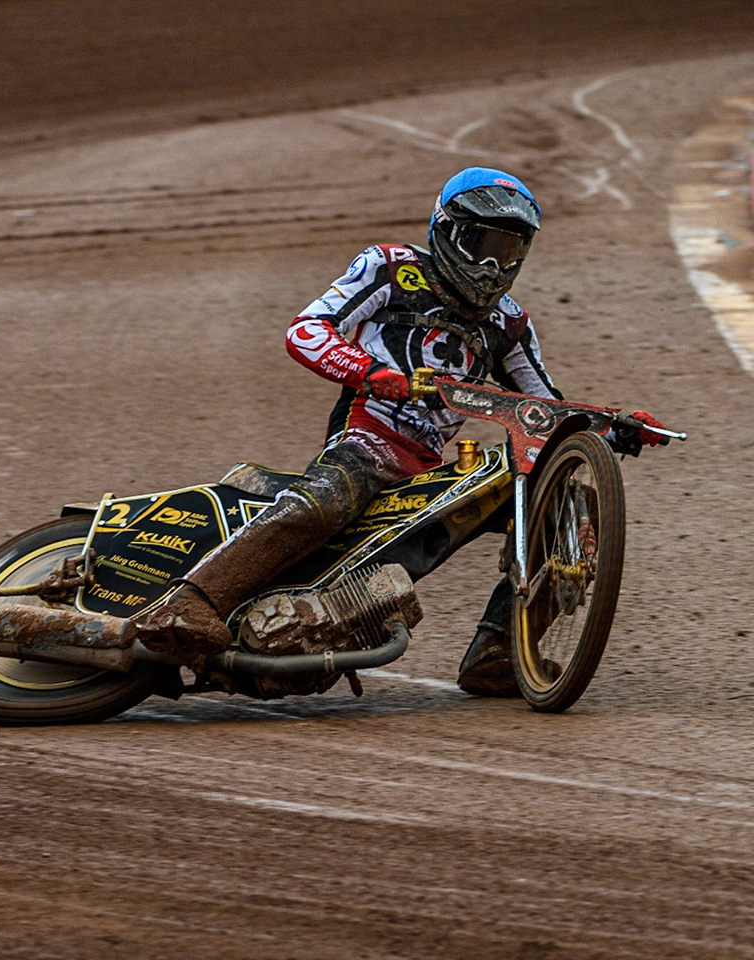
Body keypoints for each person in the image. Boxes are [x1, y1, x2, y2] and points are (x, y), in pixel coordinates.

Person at [129, 167, 667, 695]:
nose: (493, 265)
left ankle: (499, 652)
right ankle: (191, 599)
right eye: (483, 244)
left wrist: (612, 425)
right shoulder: (390, 267)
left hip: (434, 469)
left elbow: (545, 406)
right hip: (368, 433)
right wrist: (372, 374)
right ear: (448, 230)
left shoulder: (508, 322)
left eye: (509, 252)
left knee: (568, 502)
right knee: (336, 491)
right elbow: (306, 329)